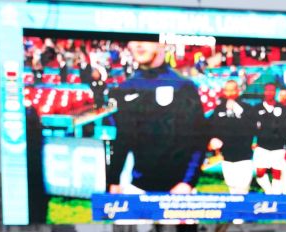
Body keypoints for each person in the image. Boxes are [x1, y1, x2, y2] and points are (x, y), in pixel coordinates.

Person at [106, 40, 207, 194]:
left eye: (145, 39)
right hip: (138, 187)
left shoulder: (183, 86)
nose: (138, 44)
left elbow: (198, 139)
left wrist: (187, 182)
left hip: (177, 190)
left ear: (162, 44)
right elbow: (123, 139)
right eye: (133, 40)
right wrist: (113, 180)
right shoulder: (126, 88)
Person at [208, 80, 256, 194]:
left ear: (238, 91)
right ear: (224, 91)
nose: (229, 93)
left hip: (244, 157)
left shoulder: (247, 108)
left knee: (243, 189)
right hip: (227, 157)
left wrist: (237, 110)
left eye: (232, 90)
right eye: (227, 90)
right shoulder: (219, 109)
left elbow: (252, 126)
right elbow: (211, 128)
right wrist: (212, 140)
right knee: (232, 189)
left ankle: (243, 211)